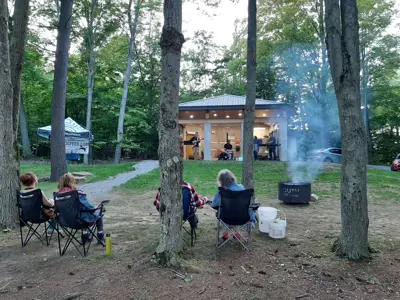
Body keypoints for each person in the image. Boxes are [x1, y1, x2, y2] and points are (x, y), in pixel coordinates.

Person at [57, 173, 105, 243]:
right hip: (79, 221)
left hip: (65, 221)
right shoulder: (76, 193)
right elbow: (89, 207)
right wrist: (98, 207)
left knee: (81, 213)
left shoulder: (57, 195)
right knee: (98, 214)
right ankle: (100, 236)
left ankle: (85, 236)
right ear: (71, 182)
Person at [210, 169, 256, 239]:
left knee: (222, 211)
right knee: (238, 210)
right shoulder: (241, 187)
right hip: (242, 217)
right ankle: (237, 233)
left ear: (221, 180)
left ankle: (225, 234)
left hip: (226, 218)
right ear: (232, 178)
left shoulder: (221, 191)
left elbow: (214, 204)